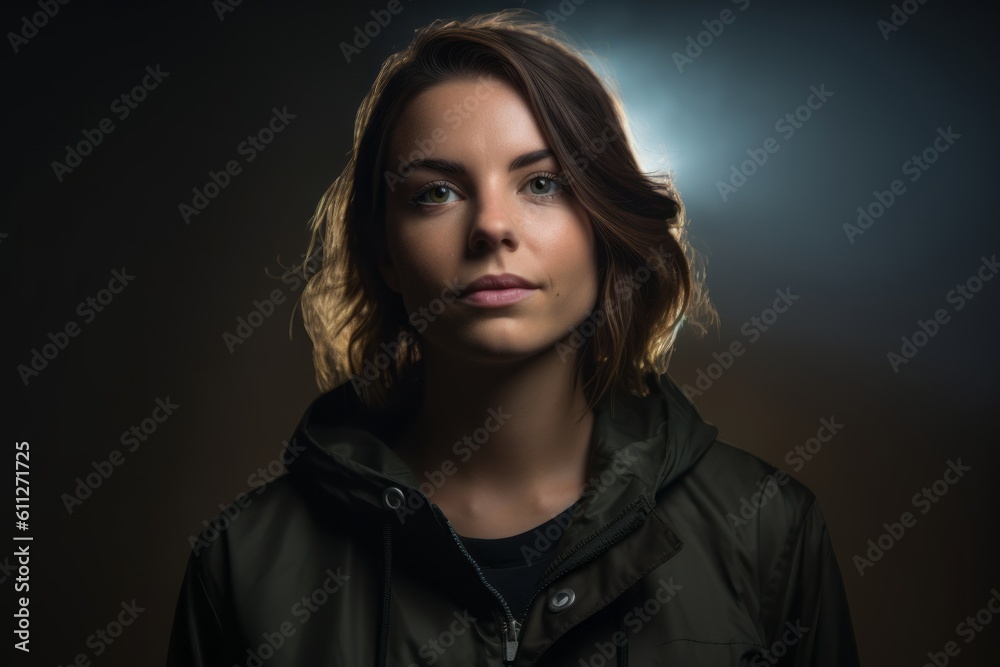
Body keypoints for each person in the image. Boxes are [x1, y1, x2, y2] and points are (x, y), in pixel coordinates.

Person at [167, 10, 860, 666]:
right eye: (435, 192)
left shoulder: (767, 531)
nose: (492, 226)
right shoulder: (244, 564)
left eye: (543, 183)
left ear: (604, 229)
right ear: (384, 251)